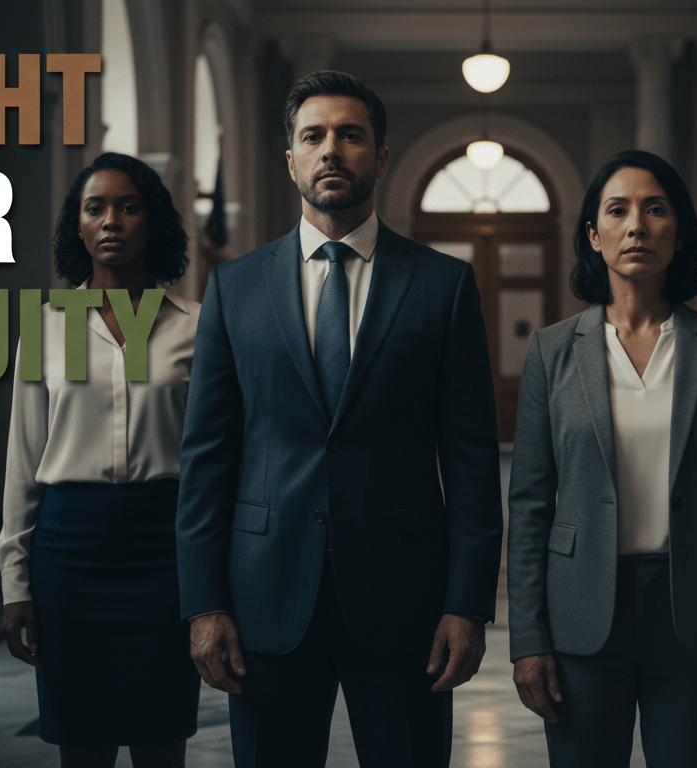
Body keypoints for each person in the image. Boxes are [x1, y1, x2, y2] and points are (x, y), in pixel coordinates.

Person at [176, 70, 504, 768]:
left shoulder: (442, 285)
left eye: (351, 135)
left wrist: (468, 604)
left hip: (406, 600)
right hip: (265, 596)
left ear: (380, 158)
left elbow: (472, 459)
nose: (332, 150)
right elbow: (207, 457)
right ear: (290, 157)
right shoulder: (234, 288)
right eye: (313, 135)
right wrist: (203, 604)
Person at [507, 149, 697, 767]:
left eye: (656, 210)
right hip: (581, 612)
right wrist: (528, 638)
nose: (637, 225)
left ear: (679, 233)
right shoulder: (552, 352)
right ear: (593, 235)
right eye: (618, 210)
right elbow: (528, 506)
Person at [0, 152, 202, 768]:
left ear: (152, 223)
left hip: (165, 552)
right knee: (81, 744)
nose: (111, 220)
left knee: (162, 739)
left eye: (128, 206)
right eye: (95, 208)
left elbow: (218, 458)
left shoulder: (198, 328)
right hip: (70, 555)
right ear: (78, 228)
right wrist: (14, 580)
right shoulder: (47, 328)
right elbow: (23, 459)